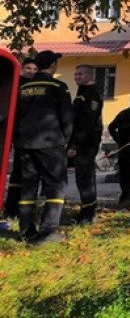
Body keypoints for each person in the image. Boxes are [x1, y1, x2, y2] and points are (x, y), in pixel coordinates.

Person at [15, 51, 73, 244]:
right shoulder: (58, 86)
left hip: (25, 143)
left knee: (28, 185)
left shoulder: (23, 87)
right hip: (50, 143)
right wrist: (65, 139)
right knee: (56, 185)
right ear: (53, 65)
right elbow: (66, 118)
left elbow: (16, 115)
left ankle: (25, 230)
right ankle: (48, 231)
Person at [68, 65, 104, 224]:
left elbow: (87, 123)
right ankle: (87, 211)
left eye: (80, 74)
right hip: (82, 142)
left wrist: (75, 144)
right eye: (75, 74)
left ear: (90, 76)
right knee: (83, 178)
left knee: (85, 178)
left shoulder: (91, 94)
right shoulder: (82, 93)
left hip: (86, 144)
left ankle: (88, 214)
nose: (77, 77)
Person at [3, 57, 38, 219]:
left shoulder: (37, 86)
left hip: (28, 133)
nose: (31, 72)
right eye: (28, 69)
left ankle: (18, 208)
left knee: (23, 171)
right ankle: (11, 207)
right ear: (22, 69)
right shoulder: (16, 84)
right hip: (14, 129)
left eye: (35, 70)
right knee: (17, 171)